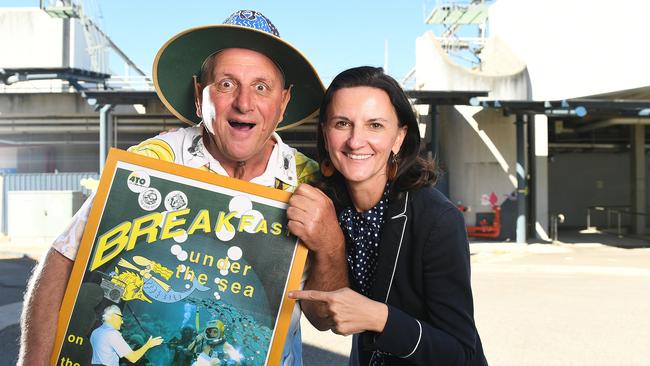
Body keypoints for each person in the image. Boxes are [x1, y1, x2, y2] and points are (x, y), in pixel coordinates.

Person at [18, 10, 347, 366]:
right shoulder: (152, 161)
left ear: (282, 103)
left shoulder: (312, 183)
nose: (244, 102)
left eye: (261, 87)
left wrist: (331, 244)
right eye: (226, 84)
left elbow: (322, 318)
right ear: (198, 96)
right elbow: (65, 256)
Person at [288, 66, 488, 365]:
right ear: (325, 134)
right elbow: (323, 316)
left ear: (399, 137)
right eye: (342, 123)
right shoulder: (328, 208)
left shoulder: (437, 219)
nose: (356, 141)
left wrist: (381, 318)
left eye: (375, 125)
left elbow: (461, 352)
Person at [89, 305, 163, 366]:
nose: (122, 322)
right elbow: (133, 358)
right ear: (114, 316)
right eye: (121, 318)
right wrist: (148, 345)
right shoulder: (113, 334)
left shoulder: (95, 332)